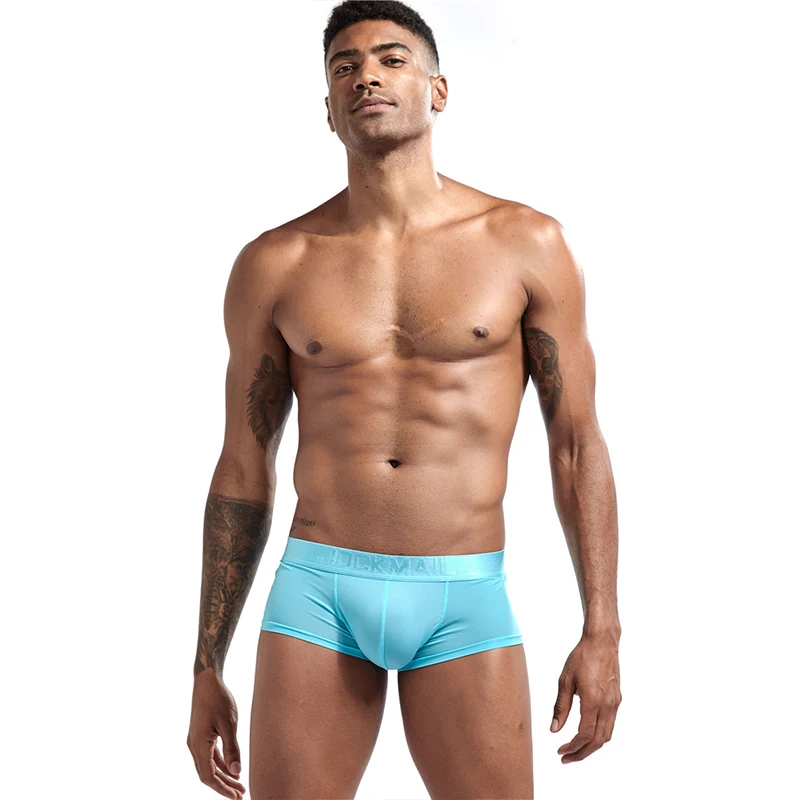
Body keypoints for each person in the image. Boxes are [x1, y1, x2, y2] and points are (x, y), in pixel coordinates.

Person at [186, 1, 622, 797]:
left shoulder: (526, 244)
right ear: (328, 108)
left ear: (438, 90)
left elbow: (575, 444)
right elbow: (243, 465)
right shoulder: (275, 264)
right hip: (317, 594)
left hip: (463, 594)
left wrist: (603, 630)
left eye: (391, 59)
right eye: (344, 66)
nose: (367, 77)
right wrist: (205, 664)